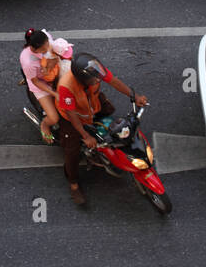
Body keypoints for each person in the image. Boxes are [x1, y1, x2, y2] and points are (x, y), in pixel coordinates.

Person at [53, 53, 148, 206]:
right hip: (73, 118)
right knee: (72, 151)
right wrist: (84, 136)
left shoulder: (95, 71)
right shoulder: (66, 87)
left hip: (92, 106)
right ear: (81, 79)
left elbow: (114, 81)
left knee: (112, 114)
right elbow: (72, 115)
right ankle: (73, 184)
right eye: (94, 79)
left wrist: (134, 96)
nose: (98, 80)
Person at [19, 27, 74, 143]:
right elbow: (36, 82)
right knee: (54, 118)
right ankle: (44, 125)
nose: (46, 50)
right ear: (34, 48)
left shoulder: (45, 37)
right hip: (40, 84)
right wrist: (54, 93)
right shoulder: (28, 62)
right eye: (43, 50)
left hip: (53, 72)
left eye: (47, 45)